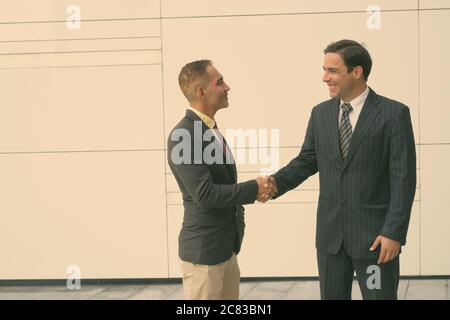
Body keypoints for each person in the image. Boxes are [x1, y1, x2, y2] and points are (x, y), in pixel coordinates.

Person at [269, 40, 416, 299]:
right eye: (324, 70)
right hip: (331, 239)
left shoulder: (393, 114)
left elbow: (403, 179)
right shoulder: (320, 114)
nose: (325, 78)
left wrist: (393, 232)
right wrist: (273, 183)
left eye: (332, 71)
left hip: (375, 240)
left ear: (356, 72)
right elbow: (306, 160)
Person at [167, 60, 277, 300]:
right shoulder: (183, 135)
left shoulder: (209, 129)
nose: (227, 87)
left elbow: (222, 184)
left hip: (226, 249)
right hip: (204, 254)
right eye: (220, 82)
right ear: (201, 92)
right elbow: (205, 194)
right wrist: (254, 188)